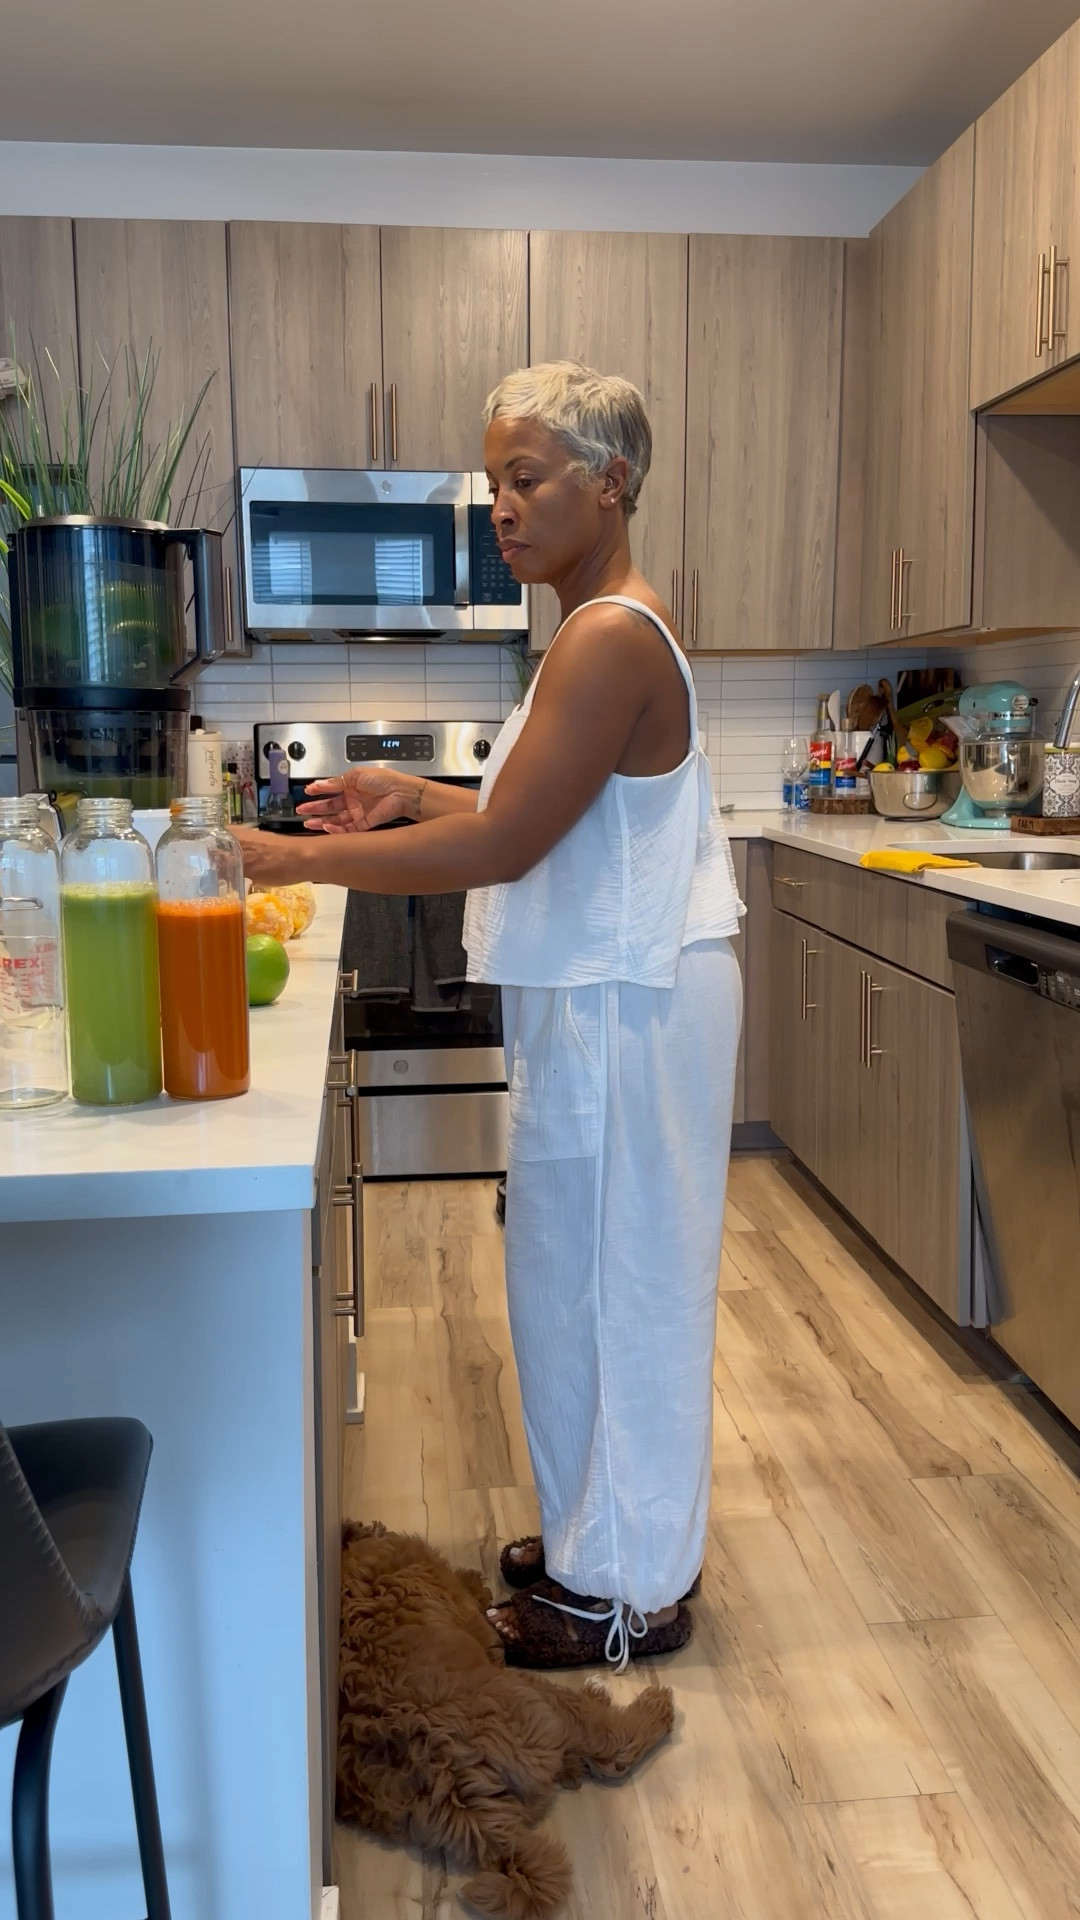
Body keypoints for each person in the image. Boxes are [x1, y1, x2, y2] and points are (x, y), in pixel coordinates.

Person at [234, 361, 744, 1671]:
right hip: (602, 992)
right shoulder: (585, 629)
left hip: (631, 1005)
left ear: (610, 482)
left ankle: (632, 1589)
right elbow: (557, 831)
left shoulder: (613, 635)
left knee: (624, 1287)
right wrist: (413, 797)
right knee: (569, 1284)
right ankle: (596, 1537)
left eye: (528, 480)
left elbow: (514, 845)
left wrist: (295, 859)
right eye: (495, 484)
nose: (502, 509)